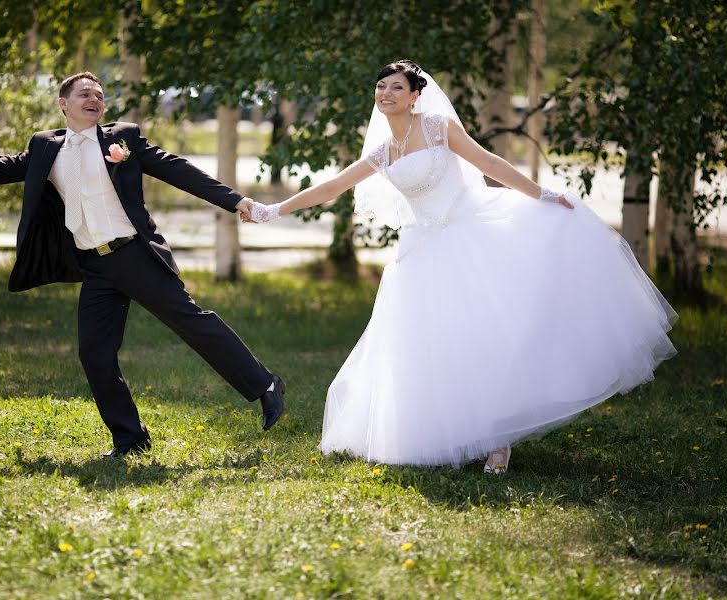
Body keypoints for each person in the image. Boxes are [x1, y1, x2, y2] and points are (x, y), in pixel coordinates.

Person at [244, 60, 676, 473]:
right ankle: (447, 434)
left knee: (480, 339)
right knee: (434, 349)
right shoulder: (383, 151)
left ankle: (498, 442)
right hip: (419, 253)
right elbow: (333, 186)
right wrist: (274, 209)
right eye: (381, 86)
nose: (386, 93)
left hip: (468, 237)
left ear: (416, 96)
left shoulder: (437, 128)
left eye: (397, 87)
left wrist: (539, 193)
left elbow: (488, 163)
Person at [0, 72, 286, 457]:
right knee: (94, 352)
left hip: (136, 255)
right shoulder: (45, 147)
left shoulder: (124, 137)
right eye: (84, 93)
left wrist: (237, 201)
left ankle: (265, 386)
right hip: (95, 265)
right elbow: (0, 166)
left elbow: (177, 169)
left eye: (99, 95)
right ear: (63, 103)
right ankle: (130, 438)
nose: (94, 99)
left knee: (191, 322)